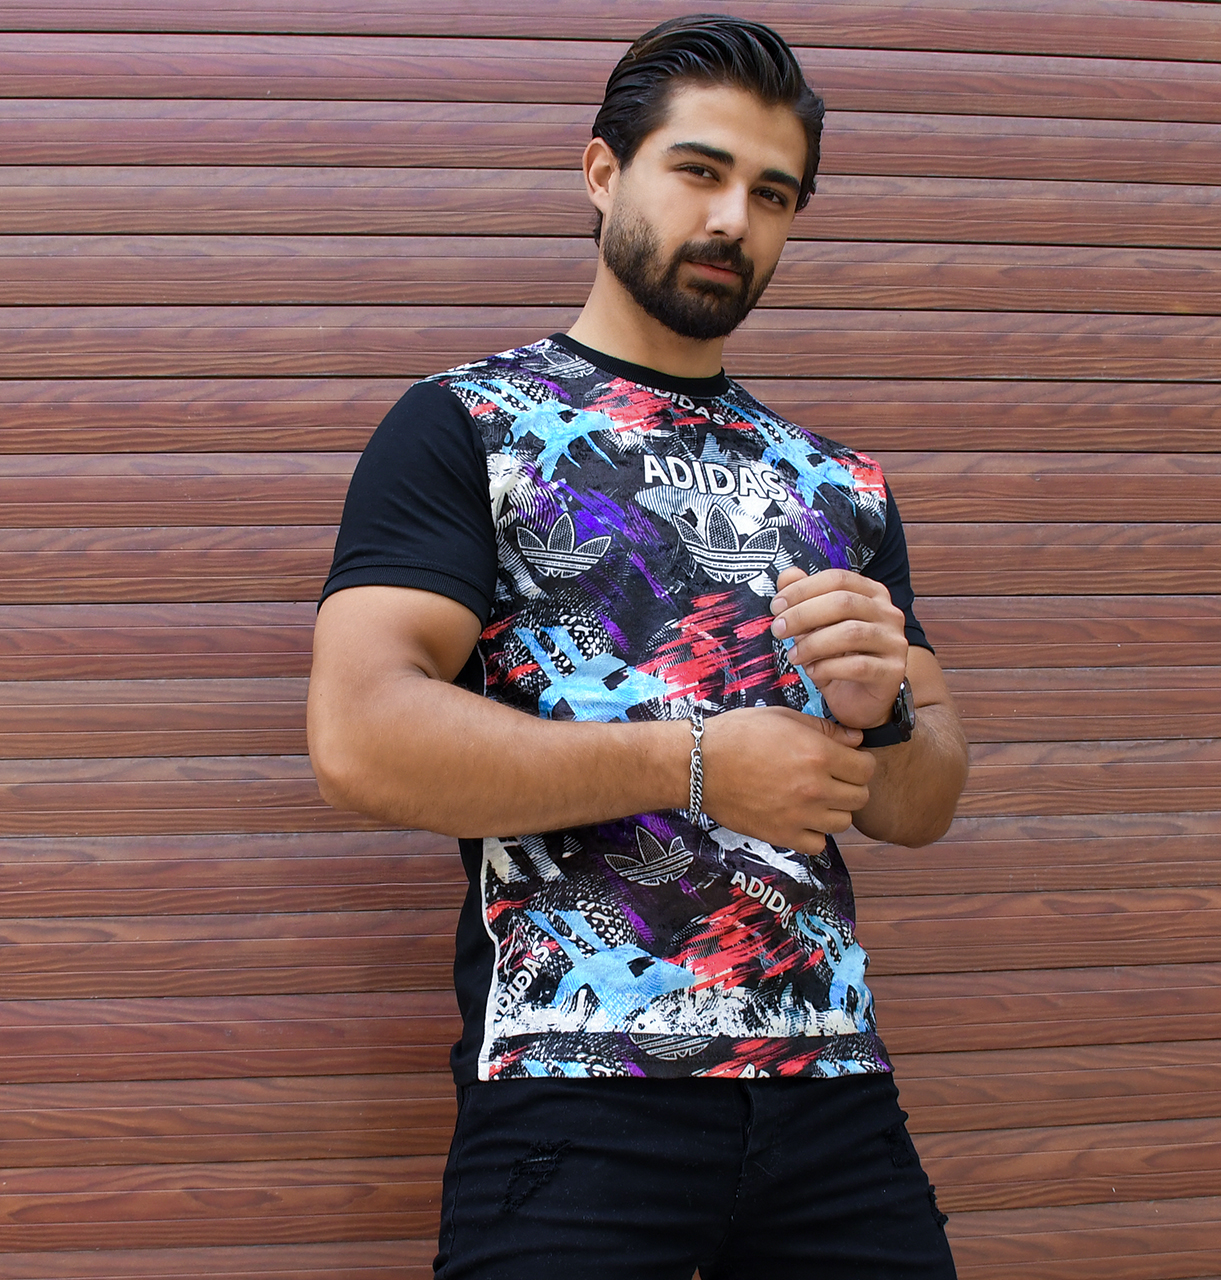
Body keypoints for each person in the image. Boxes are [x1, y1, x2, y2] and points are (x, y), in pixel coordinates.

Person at [308, 14, 969, 1279]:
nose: (731, 218)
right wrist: (697, 764)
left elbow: (919, 801)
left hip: (833, 1090)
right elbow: (359, 734)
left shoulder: (838, 484)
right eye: (698, 170)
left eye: (771, 194)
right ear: (604, 172)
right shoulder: (465, 427)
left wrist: (880, 713)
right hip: (572, 1088)